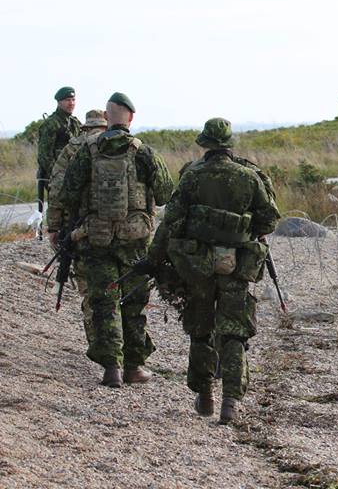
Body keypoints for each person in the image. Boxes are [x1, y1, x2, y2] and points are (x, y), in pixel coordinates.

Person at [149, 118, 280, 424]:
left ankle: (205, 394)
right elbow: (270, 219)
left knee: (200, 328)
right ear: (229, 144)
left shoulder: (192, 176)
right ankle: (231, 402)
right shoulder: (249, 177)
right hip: (236, 265)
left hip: (198, 265)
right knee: (234, 332)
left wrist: (155, 257)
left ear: (204, 144)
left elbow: (172, 222)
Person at [62, 93, 174, 387]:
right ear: (131, 118)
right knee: (134, 303)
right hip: (134, 239)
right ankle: (134, 367)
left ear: (107, 118)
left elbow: (69, 193)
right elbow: (164, 194)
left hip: (97, 238)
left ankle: (111, 368)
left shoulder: (87, 151)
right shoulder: (144, 152)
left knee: (104, 301)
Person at [44, 109, 108, 344]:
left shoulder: (72, 148)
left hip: (79, 229)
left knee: (89, 291)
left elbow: (57, 190)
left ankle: (99, 347)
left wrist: (54, 227)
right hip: (119, 230)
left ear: (85, 128)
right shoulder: (121, 144)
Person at [37, 86, 83, 203]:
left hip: (73, 175)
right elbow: (45, 156)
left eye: (73, 100)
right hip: (56, 177)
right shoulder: (51, 124)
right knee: (58, 212)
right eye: (67, 100)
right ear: (59, 102)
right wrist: (57, 176)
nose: (71, 103)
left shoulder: (75, 123)